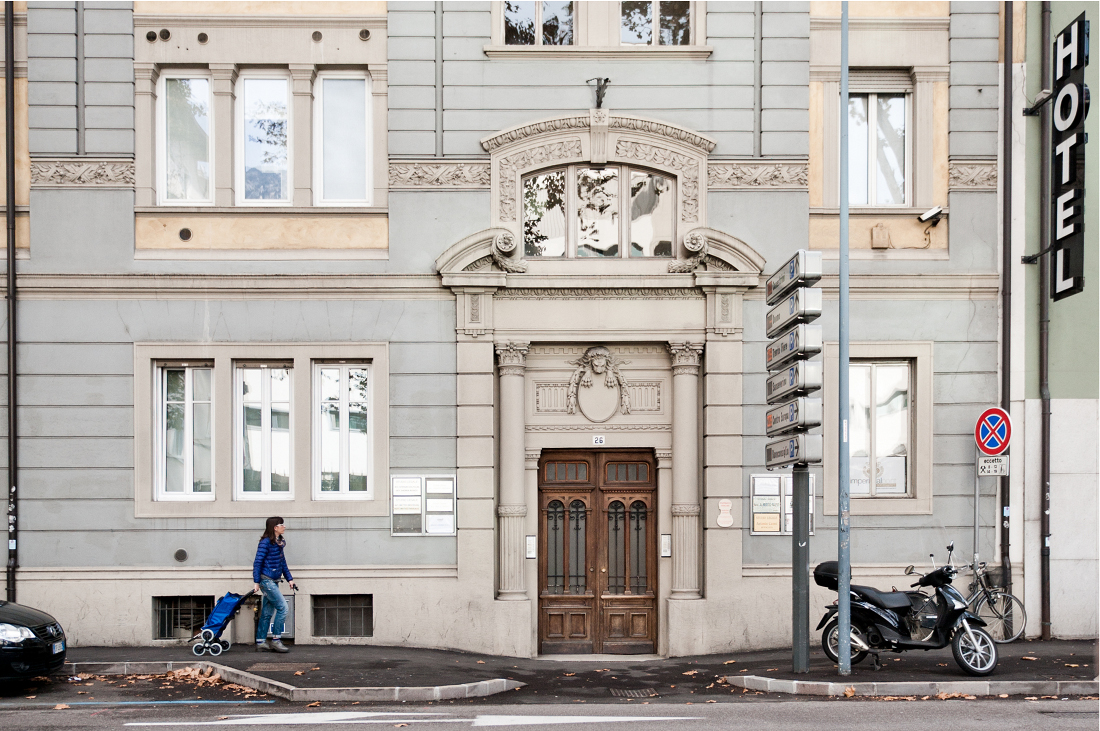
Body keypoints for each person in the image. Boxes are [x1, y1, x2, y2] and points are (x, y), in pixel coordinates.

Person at [252, 517, 296, 653]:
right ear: (275, 527)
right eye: (281, 524)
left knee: (266, 612)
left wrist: (290, 579)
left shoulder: (279, 542)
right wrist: (256, 582)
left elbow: (282, 562)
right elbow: (257, 562)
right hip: (267, 580)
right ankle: (276, 640)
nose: (284, 526)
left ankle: (261, 642)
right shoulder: (265, 543)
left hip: (274, 581)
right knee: (283, 608)